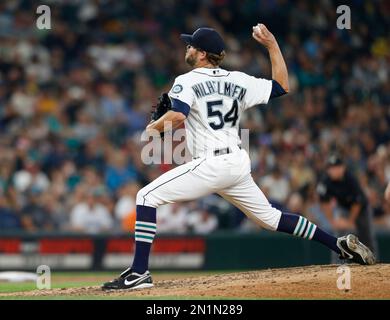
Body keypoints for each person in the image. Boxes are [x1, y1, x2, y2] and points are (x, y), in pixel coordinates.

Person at [102, 25, 375, 291]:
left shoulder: (186, 81)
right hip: (236, 162)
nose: (187, 47)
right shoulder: (238, 80)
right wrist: (272, 45)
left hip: (212, 163)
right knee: (270, 218)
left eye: (191, 45)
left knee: (146, 197)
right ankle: (337, 244)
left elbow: (177, 116)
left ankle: (139, 272)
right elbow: (282, 86)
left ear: (201, 53)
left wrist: (152, 128)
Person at [316, 154, 378, 255]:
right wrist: (333, 222)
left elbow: (357, 203)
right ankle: (338, 263)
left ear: (343, 168)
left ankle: (373, 263)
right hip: (343, 207)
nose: (334, 170)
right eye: (331, 168)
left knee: (366, 238)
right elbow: (324, 202)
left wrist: (350, 221)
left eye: (336, 167)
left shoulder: (350, 179)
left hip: (362, 210)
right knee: (339, 237)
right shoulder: (325, 181)